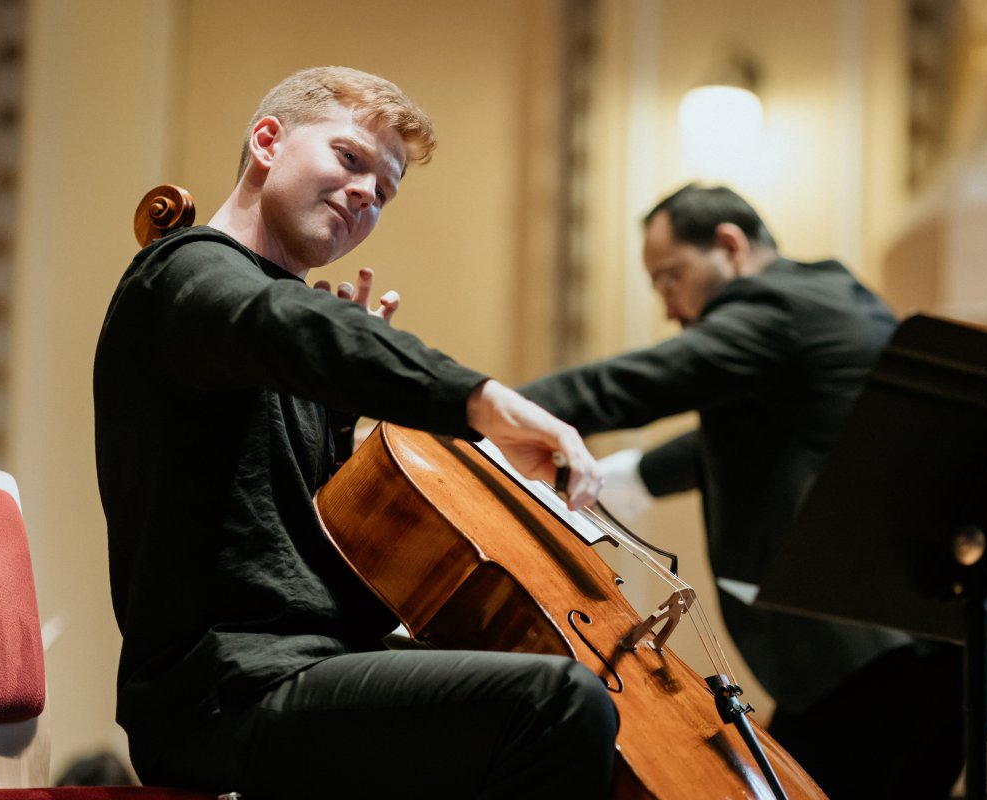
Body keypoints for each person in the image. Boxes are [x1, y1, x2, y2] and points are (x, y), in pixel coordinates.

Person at [93, 66, 617, 800]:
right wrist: (482, 401)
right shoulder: (181, 275)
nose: (369, 192)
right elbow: (287, 326)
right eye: (349, 158)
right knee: (553, 705)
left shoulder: (280, 332)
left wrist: (335, 415)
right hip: (224, 693)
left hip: (305, 669)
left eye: (387, 189)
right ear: (268, 141)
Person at [519, 183, 987, 799]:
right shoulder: (837, 296)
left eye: (669, 277)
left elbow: (636, 383)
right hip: (950, 640)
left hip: (872, 652)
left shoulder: (774, 309)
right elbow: (754, 436)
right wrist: (636, 478)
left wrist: (479, 410)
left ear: (728, 245)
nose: (670, 307)